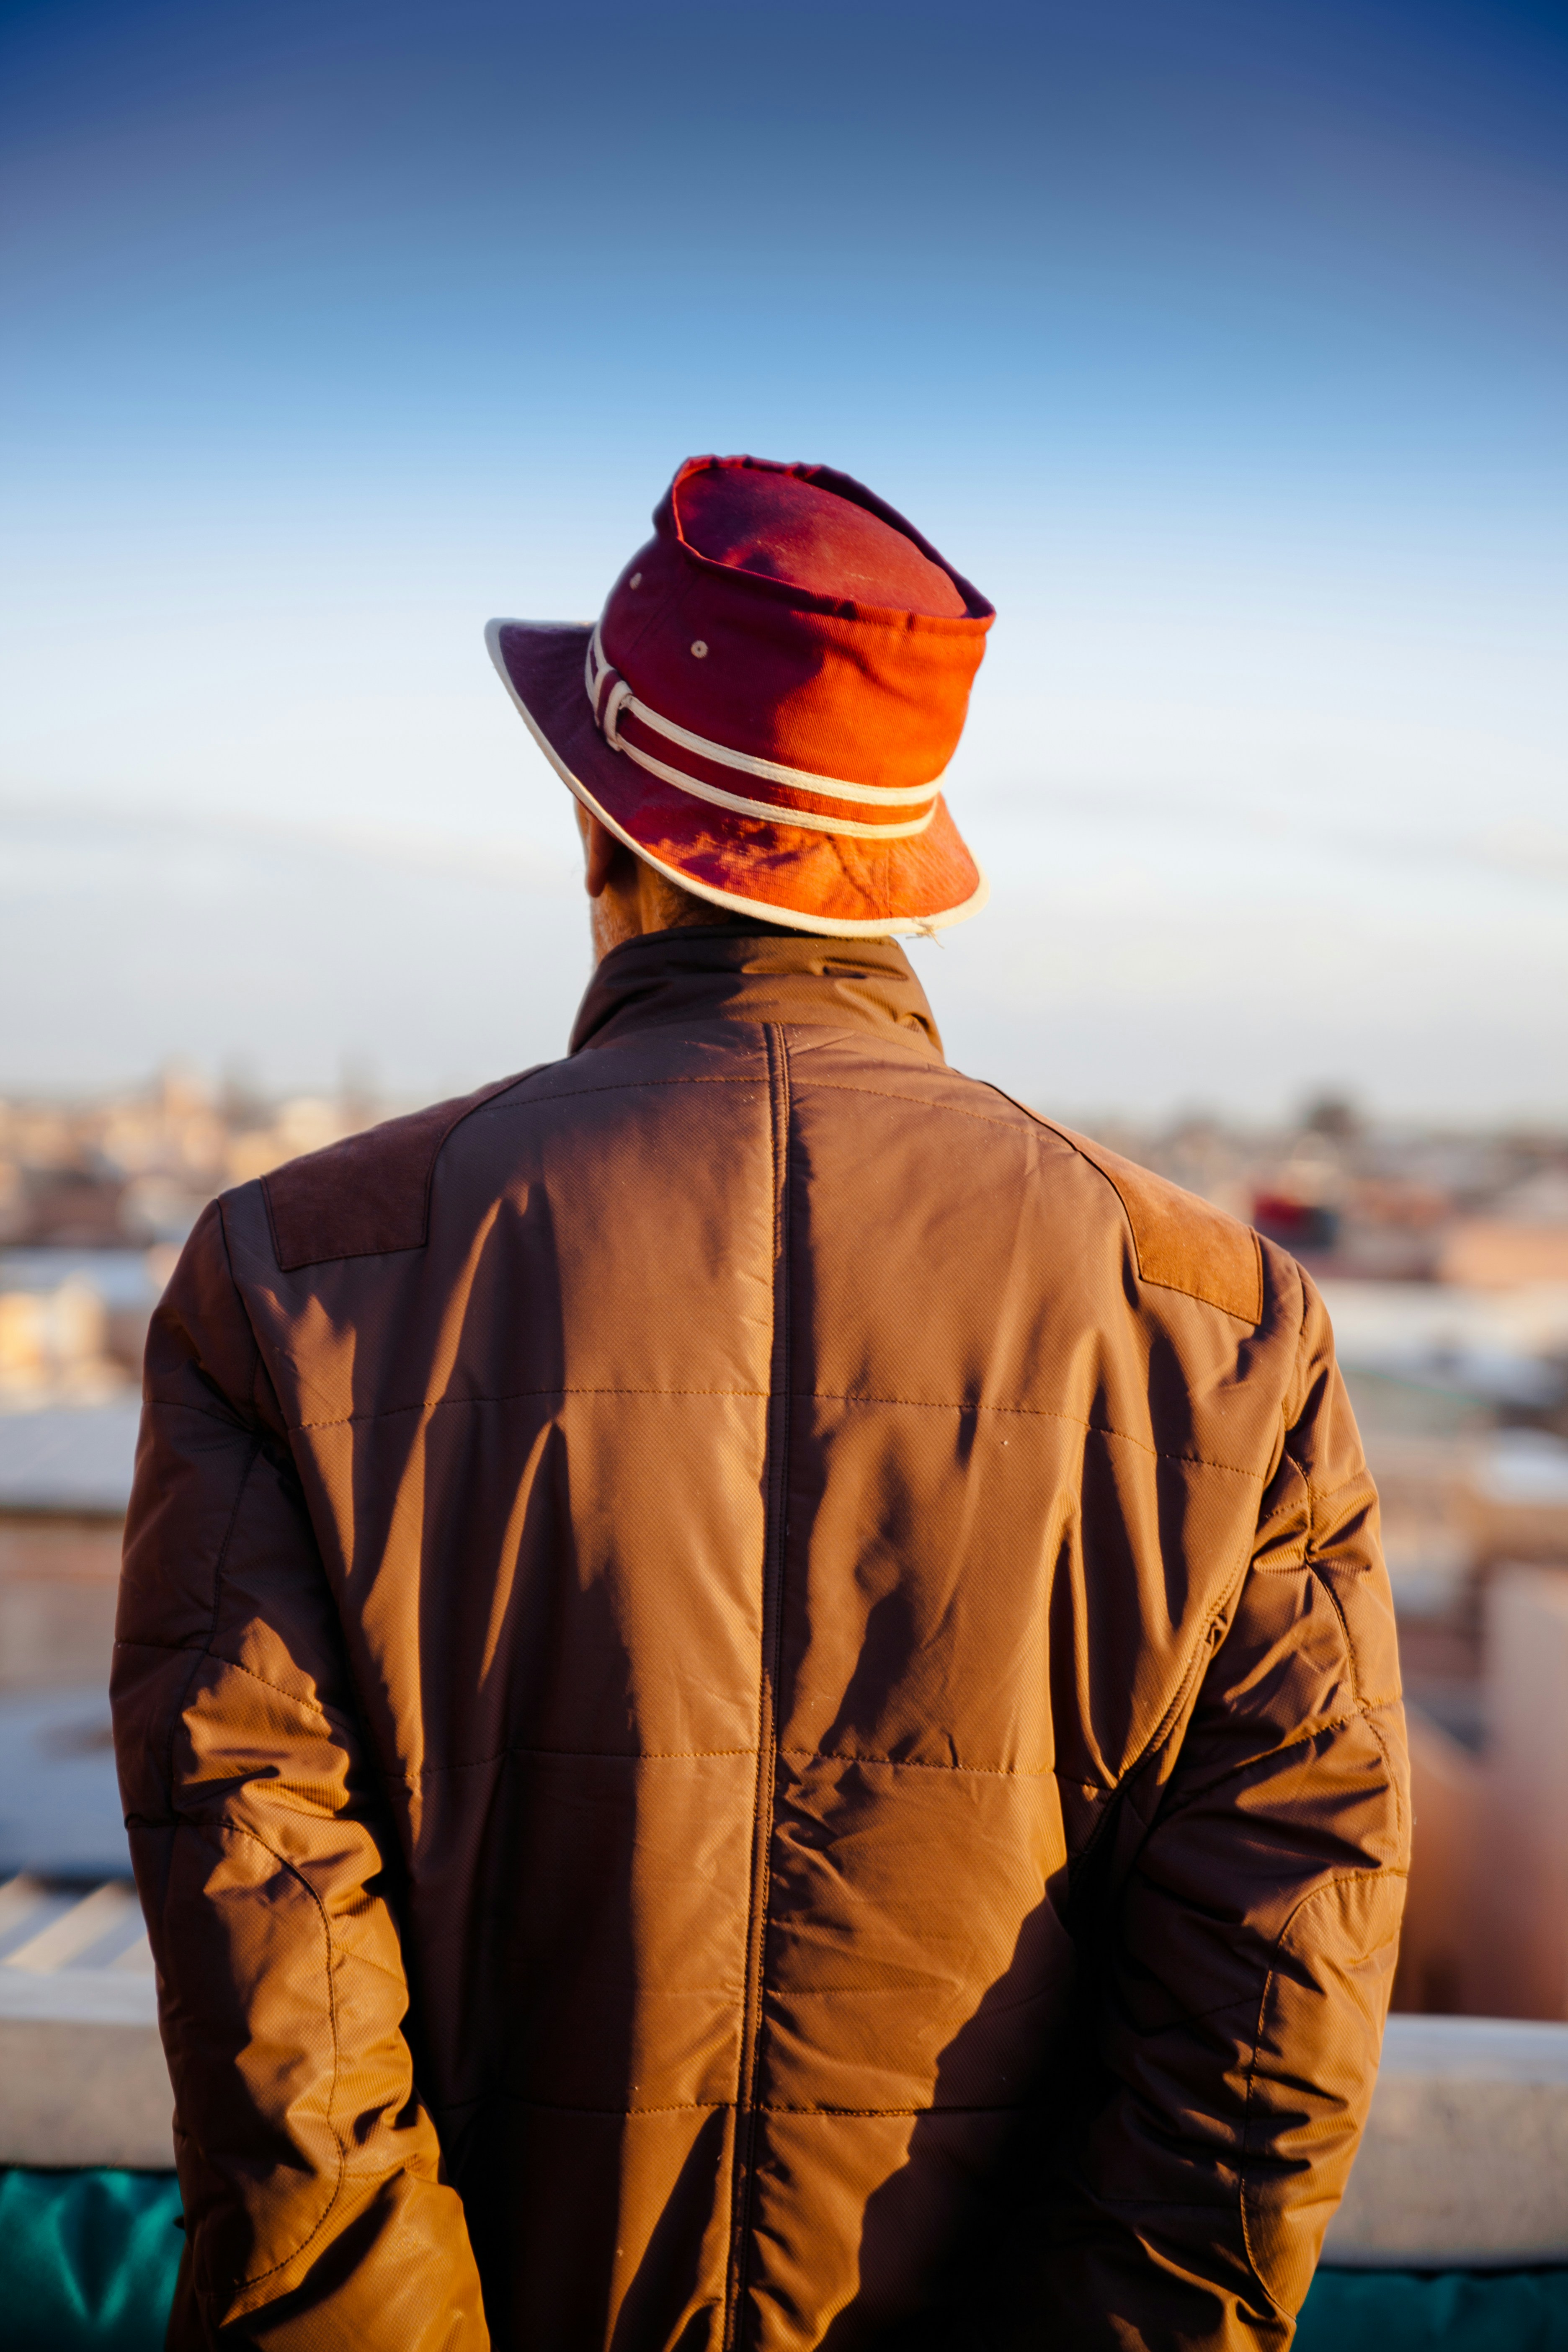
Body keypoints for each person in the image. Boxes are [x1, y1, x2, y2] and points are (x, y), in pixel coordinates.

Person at [112, 455, 1408, 2352]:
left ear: (599, 829)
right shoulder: (1217, 1330)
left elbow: (276, 2012)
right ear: (905, 862)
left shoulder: (303, 1276)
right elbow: (1275, 2009)